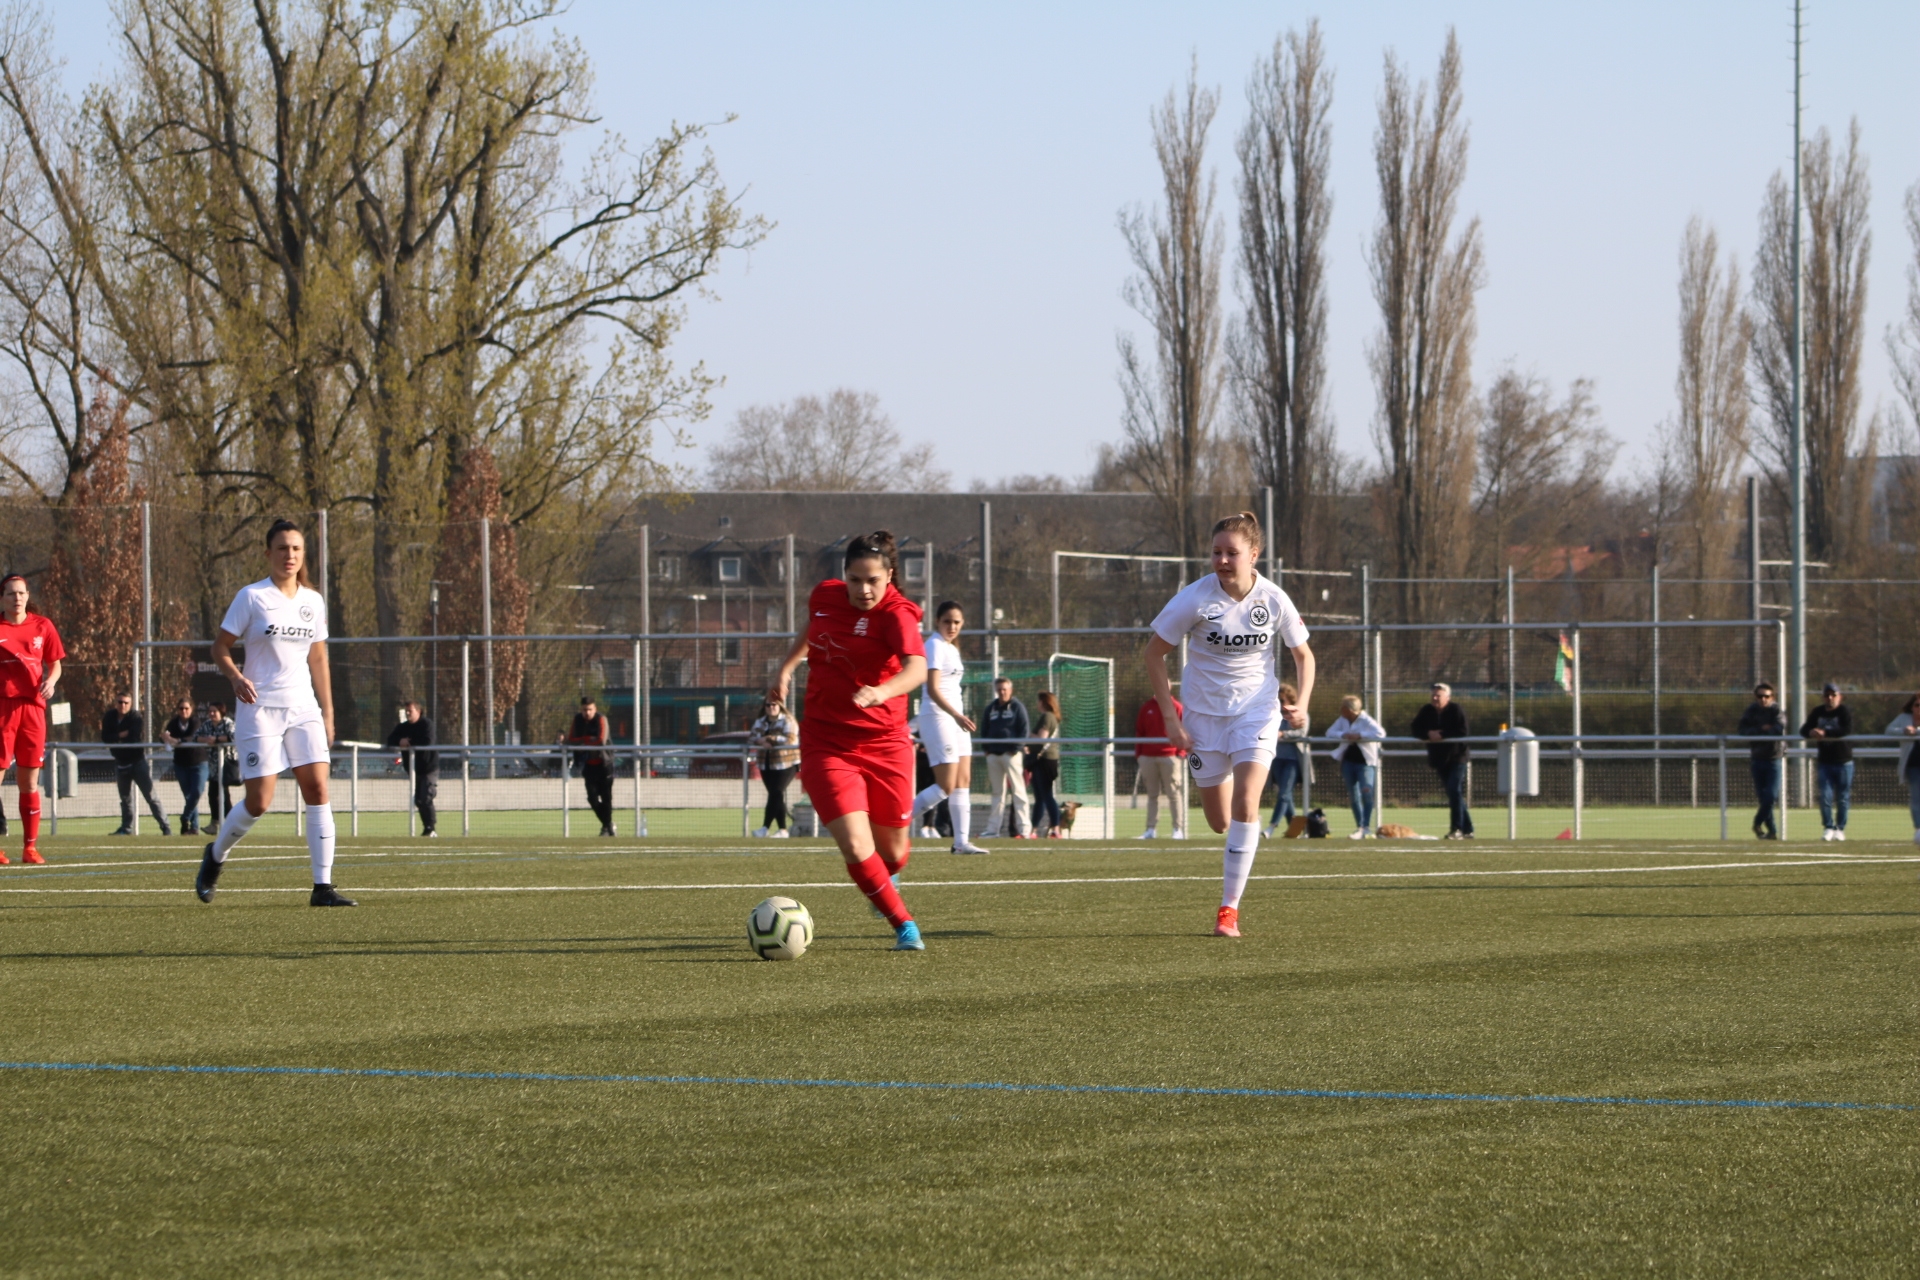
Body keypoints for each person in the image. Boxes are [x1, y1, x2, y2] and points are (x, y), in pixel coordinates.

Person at [1144, 511, 1314, 938]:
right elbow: (1153, 654)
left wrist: (1303, 705)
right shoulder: (1194, 599)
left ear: (1254, 555)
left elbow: (1304, 656)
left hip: (1256, 712)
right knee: (1220, 822)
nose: (1222, 560)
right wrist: (1172, 717)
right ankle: (1237, 858)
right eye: (1216, 552)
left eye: (1231, 553)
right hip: (1203, 718)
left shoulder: (1273, 599)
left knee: (1246, 805)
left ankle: (1228, 910)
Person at [770, 530, 927, 950]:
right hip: (827, 741)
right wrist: (786, 668)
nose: (863, 589)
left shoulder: (898, 615)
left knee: (893, 850)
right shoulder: (825, 596)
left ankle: (886, 879)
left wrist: (882, 691)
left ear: (889, 576)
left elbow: (916, 670)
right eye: (855, 579)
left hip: (886, 741)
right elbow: (812, 629)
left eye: (873, 580)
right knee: (857, 845)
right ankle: (904, 925)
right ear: (844, 575)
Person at [194, 518, 353, 907]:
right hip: (259, 708)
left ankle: (322, 887)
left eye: (296, 549)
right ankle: (215, 856)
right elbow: (220, 648)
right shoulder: (252, 597)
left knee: (317, 789)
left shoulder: (312, 601)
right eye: (282, 548)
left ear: (303, 555)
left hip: (303, 708)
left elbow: (319, 659)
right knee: (259, 801)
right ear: (268, 553)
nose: (290, 555)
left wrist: (328, 714)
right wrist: (234, 677)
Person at [907, 602, 985, 853]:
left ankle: (961, 842)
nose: (952, 627)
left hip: (956, 719)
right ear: (938, 621)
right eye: (947, 621)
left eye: (957, 622)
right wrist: (956, 715)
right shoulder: (934, 645)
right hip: (938, 716)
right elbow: (932, 689)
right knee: (946, 784)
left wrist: (959, 716)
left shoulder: (952, 648)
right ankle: (894, 824)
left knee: (963, 780)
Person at [0, 572, 64, 864]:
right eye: (11, 593)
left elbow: (55, 664)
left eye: (21, 593)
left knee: (29, 782)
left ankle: (30, 847)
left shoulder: (43, 626)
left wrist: (51, 681)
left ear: (28, 596)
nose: (17, 598)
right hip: (3, 708)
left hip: (34, 711)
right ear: (2, 598)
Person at [103, 691, 172, 836]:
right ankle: (126, 828)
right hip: (120, 762)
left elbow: (133, 736)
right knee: (125, 798)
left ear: (131, 704)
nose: (122, 705)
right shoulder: (110, 716)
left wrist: (116, 736)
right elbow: (105, 737)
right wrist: (121, 735)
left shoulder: (135, 717)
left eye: (126, 703)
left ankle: (165, 827)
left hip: (137, 762)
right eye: (120, 702)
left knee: (151, 796)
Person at [1411, 682, 1473, 839]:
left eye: (1438, 695)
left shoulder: (1456, 710)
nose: (1435, 697)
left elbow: (1462, 731)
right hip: (1439, 759)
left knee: (1454, 790)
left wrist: (1443, 735)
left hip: (1457, 757)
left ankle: (1457, 829)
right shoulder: (1427, 711)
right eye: (1433, 694)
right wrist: (1428, 734)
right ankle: (1468, 829)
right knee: (1454, 793)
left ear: (1447, 697)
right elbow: (1415, 728)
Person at [1326, 695, 1386, 838]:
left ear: (1350, 709)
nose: (1341, 710)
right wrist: (1344, 734)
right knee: (1354, 796)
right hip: (1348, 762)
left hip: (1365, 763)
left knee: (1367, 793)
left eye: (1344, 707)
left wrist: (1360, 735)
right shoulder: (1342, 720)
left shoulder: (1366, 720)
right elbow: (1329, 733)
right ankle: (1359, 826)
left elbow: (1380, 733)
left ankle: (1366, 827)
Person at [979, 676, 1031, 839]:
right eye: (999, 689)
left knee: (1018, 791)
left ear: (1010, 690)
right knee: (997, 793)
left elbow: (1024, 730)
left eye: (1005, 689)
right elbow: (984, 729)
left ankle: (1024, 830)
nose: (1002, 692)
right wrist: (986, 749)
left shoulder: (1017, 707)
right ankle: (993, 829)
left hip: (1011, 755)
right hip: (993, 755)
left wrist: (1015, 749)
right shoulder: (991, 708)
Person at [1801, 681, 1854, 842]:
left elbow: (1846, 729)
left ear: (1840, 697)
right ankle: (1828, 827)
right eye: (1827, 695)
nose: (1830, 698)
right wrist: (1811, 731)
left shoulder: (1844, 711)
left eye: (1833, 695)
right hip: (1825, 761)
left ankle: (1840, 828)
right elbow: (1803, 730)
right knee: (1825, 795)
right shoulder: (1817, 712)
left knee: (1843, 797)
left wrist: (1825, 732)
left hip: (1843, 761)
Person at [1737, 682, 1786, 839]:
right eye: (1760, 696)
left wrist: (1767, 730)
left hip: (1774, 758)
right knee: (1763, 797)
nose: (1763, 699)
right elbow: (1742, 730)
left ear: (1772, 697)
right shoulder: (1752, 710)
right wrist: (1760, 730)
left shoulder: (1776, 710)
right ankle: (1772, 831)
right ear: (1756, 697)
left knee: (1770, 795)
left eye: (1767, 696)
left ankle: (1757, 822)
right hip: (1757, 758)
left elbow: (1779, 727)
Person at [1133, 694, 1185, 840]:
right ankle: (1150, 829)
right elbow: (1140, 731)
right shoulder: (1147, 707)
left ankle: (1177, 829)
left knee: (1174, 794)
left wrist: (1180, 752)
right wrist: (1139, 754)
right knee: (1152, 795)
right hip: (1148, 757)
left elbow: (1184, 728)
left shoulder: (1177, 707)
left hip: (1170, 757)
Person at [748, 695, 800, 837]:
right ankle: (782, 830)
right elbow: (752, 737)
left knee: (776, 792)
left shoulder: (788, 720)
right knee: (775, 796)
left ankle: (765, 828)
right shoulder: (761, 721)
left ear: (780, 706)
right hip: (766, 763)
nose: (771, 708)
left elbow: (790, 739)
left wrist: (769, 738)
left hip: (786, 763)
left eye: (774, 705)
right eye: (768, 705)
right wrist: (761, 742)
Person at [385, 700, 438, 837]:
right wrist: (400, 742)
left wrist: (409, 742)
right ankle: (427, 828)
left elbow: (427, 741)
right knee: (419, 800)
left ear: (418, 712)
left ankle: (431, 828)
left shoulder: (426, 724)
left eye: (411, 711)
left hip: (428, 767)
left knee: (426, 797)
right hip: (414, 770)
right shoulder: (402, 727)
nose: (408, 713)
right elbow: (390, 740)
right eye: (406, 711)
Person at [565, 696, 615, 837]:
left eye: (589, 709)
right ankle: (608, 824)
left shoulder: (601, 719)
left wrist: (583, 742)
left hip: (604, 764)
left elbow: (601, 740)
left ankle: (607, 828)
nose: (587, 713)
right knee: (592, 798)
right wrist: (586, 740)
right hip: (588, 765)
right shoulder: (578, 720)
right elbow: (571, 739)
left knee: (606, 799)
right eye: (584, 710)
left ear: (595, 709)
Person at [1263, 682, 1307, 837]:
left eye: (1282, 700)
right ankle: (1295, 830)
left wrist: (1284, 734)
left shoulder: (1298, 713)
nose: (1280, 704)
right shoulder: (1273, 714)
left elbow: (1302, 731)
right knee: (1285, 795)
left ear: (1290, 699)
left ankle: (1271, 827)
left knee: (1284, 794)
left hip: (1292, 760)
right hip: (1276, 758)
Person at [160, 696, 210, 836]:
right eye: (181, 708)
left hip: (198, 762)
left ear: (191, 709)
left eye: (186, 708)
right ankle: (193, 828)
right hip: (181, 764)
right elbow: (165, 736)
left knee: (197, 791)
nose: (183, 711)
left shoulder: (195, 721)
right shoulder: (174, 722)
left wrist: (177, 740)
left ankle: (185, 818)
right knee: (188, 796)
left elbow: (193, 736)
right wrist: (165, 737)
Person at [1028, 689, 1063, 838]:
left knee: (1046, 794)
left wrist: (1027, 734)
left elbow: (1042, 738)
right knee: (1039, 797)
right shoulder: (1048, 717)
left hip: (1045, 760)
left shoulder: (1047, 717)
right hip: (1042, 760)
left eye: (1039, 700)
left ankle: (1056, 827)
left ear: (1043, 702)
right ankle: (1034, 830)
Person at [1887, 692, 1920, 846]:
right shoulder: (1904, 718)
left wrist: (1917, 731)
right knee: (1916, 799)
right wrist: (1904, 731)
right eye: (1917, 705)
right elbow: (1889, 731)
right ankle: (1919, 828)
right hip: (1914, 766)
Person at [203, 702, 235, 822]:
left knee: (224, 794)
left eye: (214, 711)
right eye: (210, 711)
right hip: (213, 766)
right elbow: (196, 736)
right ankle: (215, 822)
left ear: (221, 712)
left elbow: (234, 736)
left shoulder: (228, 723)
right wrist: (206, 740)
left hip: (226, 764)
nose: (211, 714)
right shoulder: (207, 724)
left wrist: (216, 739)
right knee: (212, 794)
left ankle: (231, 821)